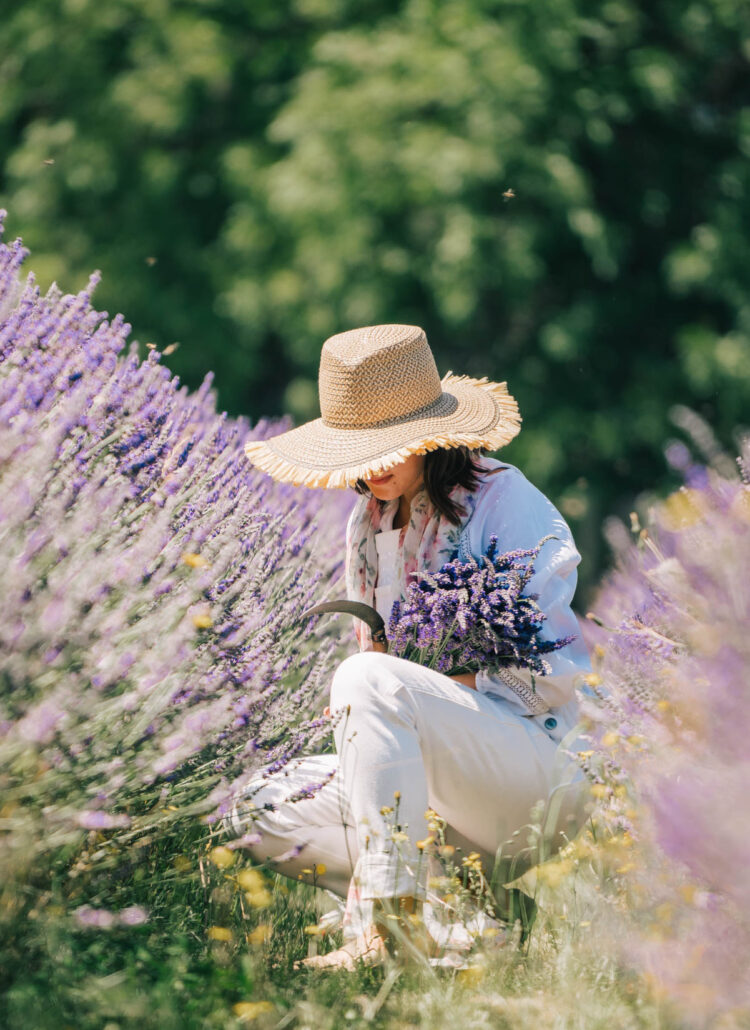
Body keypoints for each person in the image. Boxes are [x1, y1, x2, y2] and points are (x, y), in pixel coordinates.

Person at [229, 324, 592, 969]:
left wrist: (412, 694)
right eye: (358, 449)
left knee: (365, 678)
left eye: (388, 445)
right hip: (431, 790)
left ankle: (389, 931)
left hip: (528, 769)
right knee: (258, 807)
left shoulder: (506, 501)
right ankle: (473, 912)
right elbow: (382, 687)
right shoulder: (366, 524)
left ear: (431, 436)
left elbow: (551, 676)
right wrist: (375, 720)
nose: (373, 466)